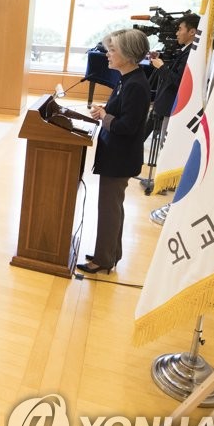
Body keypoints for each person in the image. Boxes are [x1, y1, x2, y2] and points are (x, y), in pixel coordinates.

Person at [77, 28, 150, 274]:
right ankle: (109, 253)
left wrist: (104, 116)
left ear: (128, 54)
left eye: (112, 50)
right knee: (112, 207)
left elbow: (126, 126)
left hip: (120, 157)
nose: (107, 54)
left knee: (109, 209)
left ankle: (104, 259)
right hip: (115, 154)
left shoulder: (136, 85)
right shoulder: (127, 79)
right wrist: (106, 113)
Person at [146, 13, 200, 139]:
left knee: (165, 143)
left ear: (192, 31)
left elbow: (178, 81)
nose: (176, 33)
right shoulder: (186, 50)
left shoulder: (191, 53)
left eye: (180, 29)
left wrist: (161, 67)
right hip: (169, 105)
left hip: (173, 106)